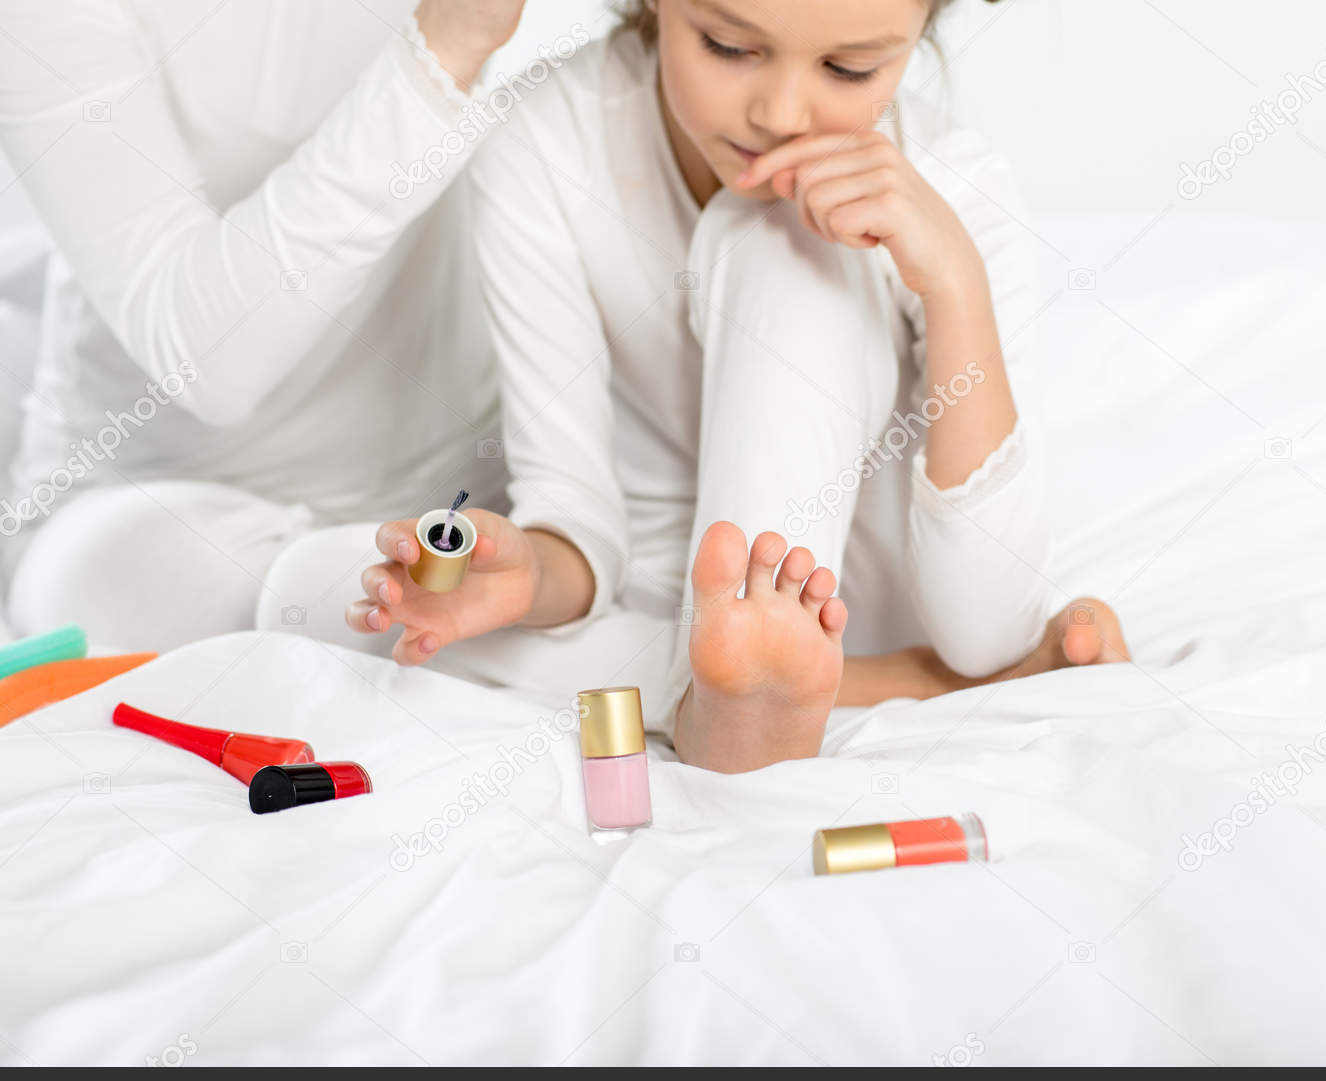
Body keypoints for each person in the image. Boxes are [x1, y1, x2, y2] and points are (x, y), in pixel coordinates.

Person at [349, 0, 1130, 773]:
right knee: (344, 599)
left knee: (784, 238)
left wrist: (956, 285)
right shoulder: (546, 140)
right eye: (728, 46)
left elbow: (987, 631)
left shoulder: (958, 187)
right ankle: (891, 684)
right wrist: (527, 573)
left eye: (850, 68)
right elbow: (575, 518)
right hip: (674, 608)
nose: (783, 115)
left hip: (862, 594)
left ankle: (743, 695)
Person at [0, 0, 558, 649]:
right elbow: (209, 366)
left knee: (466, 594)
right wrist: (445, 50)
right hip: (151, 504)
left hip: (455, 496)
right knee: (117, 586)